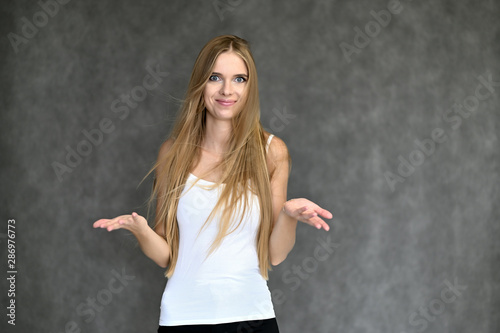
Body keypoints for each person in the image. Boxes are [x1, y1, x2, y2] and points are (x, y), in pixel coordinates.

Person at [93, 35, 332, 333]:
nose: (227, 90)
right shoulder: (173, 153)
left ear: (250, 86)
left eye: (239, 79)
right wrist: (140, 231)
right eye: (215, 77)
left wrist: (288, 217)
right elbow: (166, 254)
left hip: (251, 318)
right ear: (200, 84)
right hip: (183, 319)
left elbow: (275, 255)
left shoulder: (271, 151)